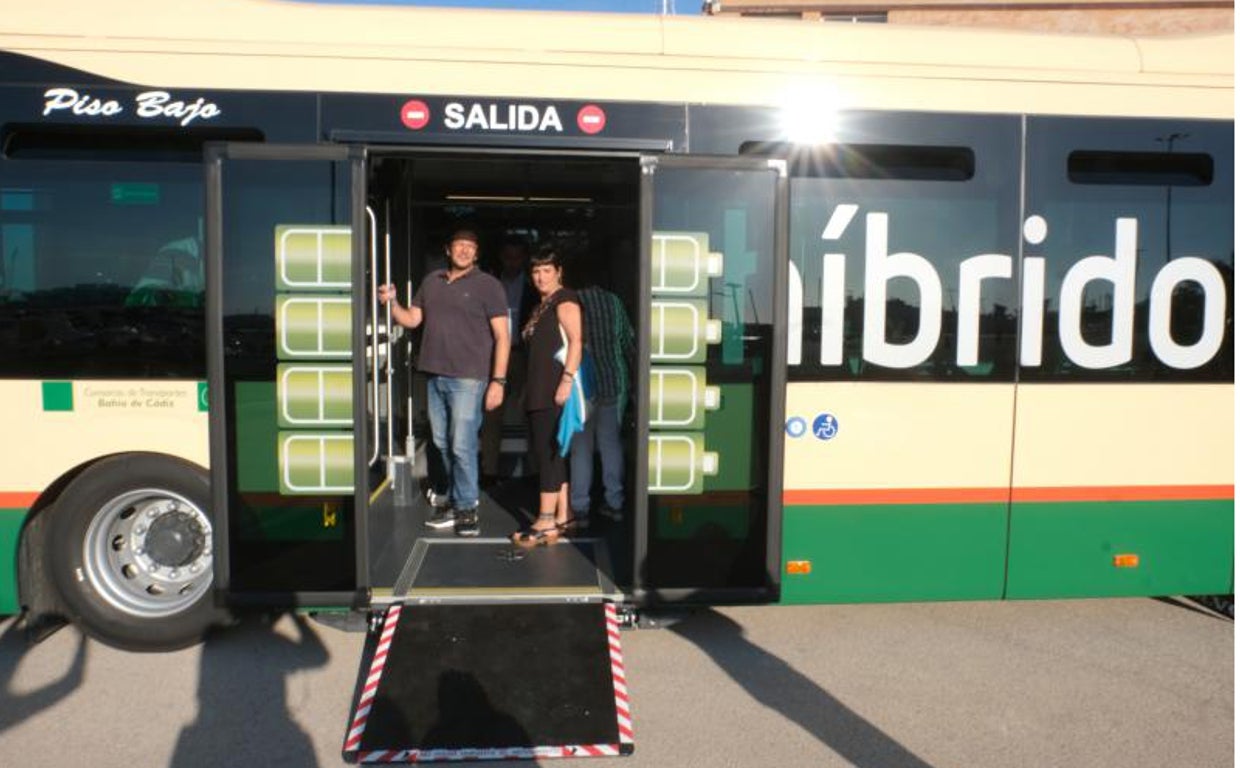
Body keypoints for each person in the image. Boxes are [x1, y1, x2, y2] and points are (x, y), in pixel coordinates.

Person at [377, 228, 509, 537]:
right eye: (459, 245)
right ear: (448, 250)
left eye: (470, 247)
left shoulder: (488, 285)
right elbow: (412, 319)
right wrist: (392, 303)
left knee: (461, 445)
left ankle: (467, 508)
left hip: (469, 379)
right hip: (434, 375)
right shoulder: (431, 281)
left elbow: (503, 337)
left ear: (476, 254)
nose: (464, 250)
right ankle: (451, 500)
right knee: (441, 443)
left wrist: (498, 381)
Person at [511, 245, 582, 547]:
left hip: (554, 391)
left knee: (547, 455)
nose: (540, 277)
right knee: (554, 453)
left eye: (546, 271)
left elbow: (577, 341)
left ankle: (545, 520)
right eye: (536, 271)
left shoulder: (564, 300)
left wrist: (566, 381)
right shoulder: (542, 304)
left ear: (559, 272)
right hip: (538, 390)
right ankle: (565, 517)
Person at [569, 269, 634, 525]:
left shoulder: (572, 301)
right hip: (613, 379)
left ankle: (580, 504)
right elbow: (628, 343)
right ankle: (614, 500)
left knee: (581, 447)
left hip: (582, 383)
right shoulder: (614, 302)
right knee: (610, 443)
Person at [480, 237, 537, 483]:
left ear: (523, 258)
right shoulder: (490, 283)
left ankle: (536, 471)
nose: (512, 262)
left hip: (525, 355)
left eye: (517, 256)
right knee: (492, 413)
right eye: (508, 256)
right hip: (494, 355)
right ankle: (489, 470)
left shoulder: (534, 286)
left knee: (531, 412)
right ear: (501, 257)